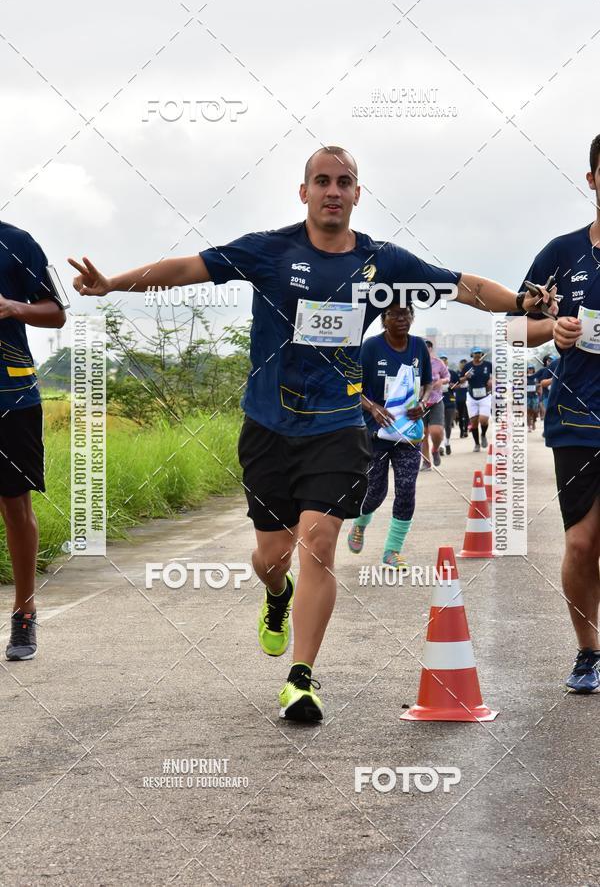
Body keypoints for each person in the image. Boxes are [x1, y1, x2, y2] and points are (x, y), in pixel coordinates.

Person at [69, 145, 551, 722]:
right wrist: (113, 283)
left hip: (339, 426)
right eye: (321, 181)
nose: (332, 191)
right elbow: (186, 269)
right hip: (269, 425)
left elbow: (463, 285)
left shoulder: (381, 262)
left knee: (318, 545)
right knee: (272, 557)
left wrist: (519, 301)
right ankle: (277, 596)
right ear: (304, 193)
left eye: (343, 182)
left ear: (356, 195)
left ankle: (301, 678)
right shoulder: (268, 250)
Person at [518, 133, 600, 693]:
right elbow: (517, 326)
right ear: (592, 179)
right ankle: (589, 652)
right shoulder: (562, 252)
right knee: (580, 544)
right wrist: (554, 328)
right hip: (576, 418)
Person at [0, 222, 67, 660]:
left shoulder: (18, 243)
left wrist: (10, 307)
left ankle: (24, 613)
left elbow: (56, 311)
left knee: (15, 506)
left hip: (12, 396)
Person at [346, 302, 431, 568]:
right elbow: (351, 387)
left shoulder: (418, 347)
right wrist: (373, 407)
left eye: (406, 314)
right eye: (393, 314)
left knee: (406, 490)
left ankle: (392, 550)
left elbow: (427, 384)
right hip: (375, 432)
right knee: (375, 491)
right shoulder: (371, 347)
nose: (401, 318)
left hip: (408, 434)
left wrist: (423, 403)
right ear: (384, 319)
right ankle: (360, 524)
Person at [421, 341, 449, 469]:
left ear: (431, 349)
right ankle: (426, 462)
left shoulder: (438, 363)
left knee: (436, 431)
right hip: (419, 402)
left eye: (427, 348)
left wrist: (441, 381)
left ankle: (435, 449)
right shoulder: (414, 362)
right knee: (422, 434)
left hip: (436, 401)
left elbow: (447, 376)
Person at [459, 348, 493, 452]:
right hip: (472, 396)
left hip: (485, 396)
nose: (477, 355)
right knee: (473, 423)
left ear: (482, 354)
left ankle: (483, 434)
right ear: (472, 355)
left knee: (483, 419)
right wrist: (465, 377)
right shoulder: (467, 366)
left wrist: (492, 380)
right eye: (475, 353)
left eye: (479, 353)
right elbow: (460, 380)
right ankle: (477, 444)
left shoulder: (488, 365)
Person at [439, 354, 459, 455]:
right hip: (437, 401)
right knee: (440, 424)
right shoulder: (435, 373)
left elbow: (460, 384)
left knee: (448, 424)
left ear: (447, 362)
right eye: (441, 360)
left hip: (450, 400)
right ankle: (441, 445)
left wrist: (453, 385)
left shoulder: (452, 373)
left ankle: (447, 442)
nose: (443, 361)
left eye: (445, 360)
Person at [455, 358, 469, 437]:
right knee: (460, 414)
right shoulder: (457, 373)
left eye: (465, 365)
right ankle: (461, 430)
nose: (463, 366)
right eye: (462, 364)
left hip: (467, 394)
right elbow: (456, 382)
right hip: (459, 395)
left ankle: (465, 430)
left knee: (466, 414)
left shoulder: (471, 373)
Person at [526, 363, 540, 431]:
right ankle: (529, 426)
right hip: (527, 396)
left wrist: (537, 386)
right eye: (529, 369)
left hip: (535, 396)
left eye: (531, 369)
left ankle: (534, 422)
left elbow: (539, 384)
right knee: (528, 411)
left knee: (535, 411)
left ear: (533, 370)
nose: (530, 370)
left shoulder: (536, 377)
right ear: (527, 370)